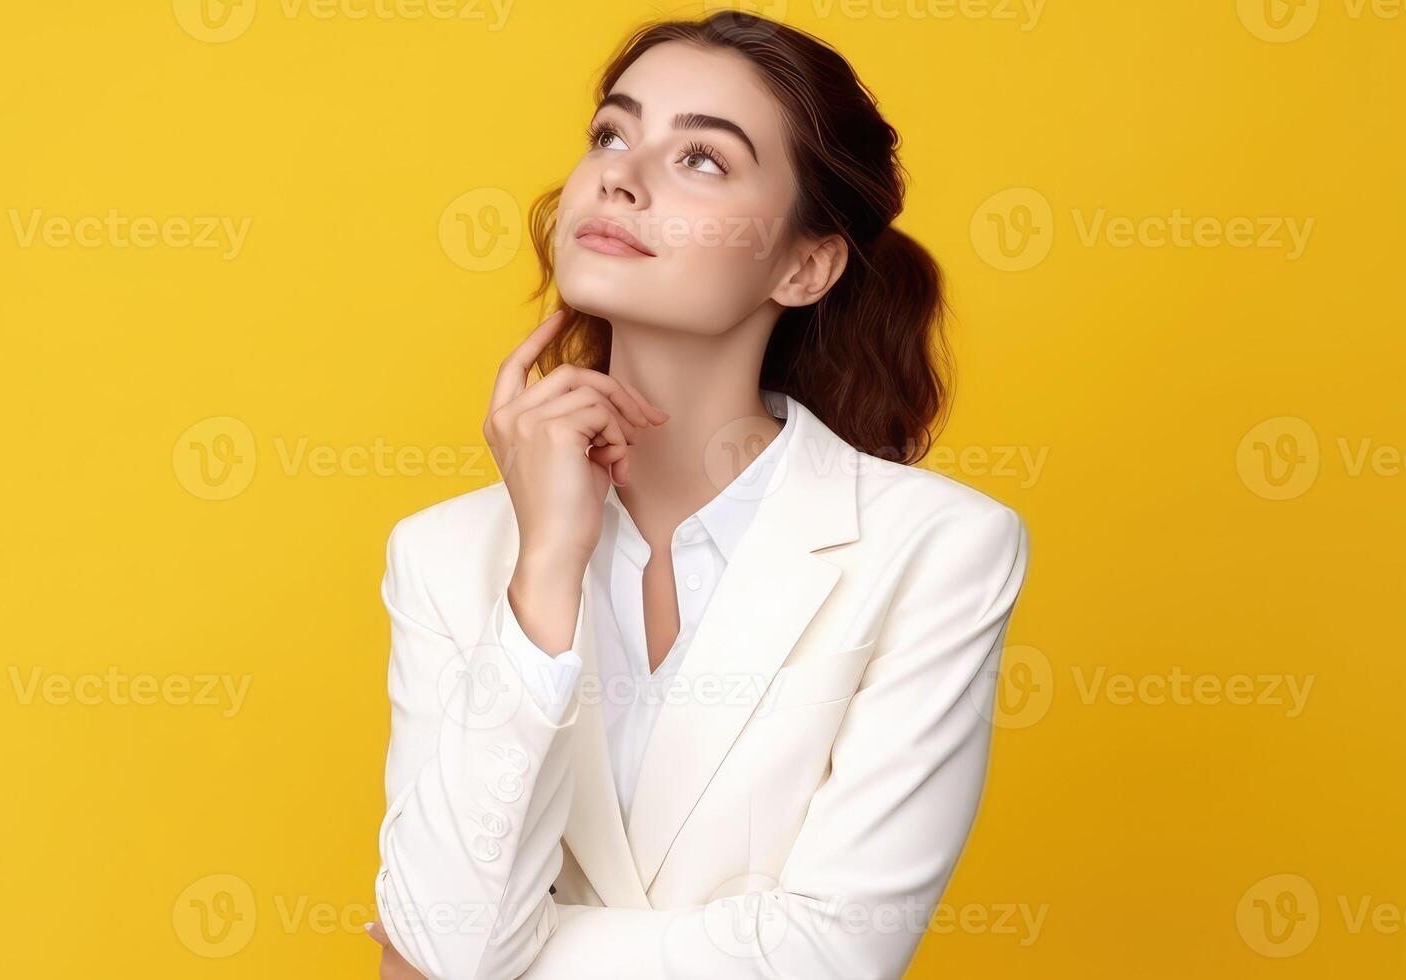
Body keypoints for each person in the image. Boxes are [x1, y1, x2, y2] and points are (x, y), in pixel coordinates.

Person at [368, 11, 1030, 979]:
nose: (619, 175)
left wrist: (498, 955)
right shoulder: (443, 554)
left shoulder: (938, 547)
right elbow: (448, 935)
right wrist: (546, 565)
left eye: (704, 160)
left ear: (804, 265)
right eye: (612, 132)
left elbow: (834, 955)